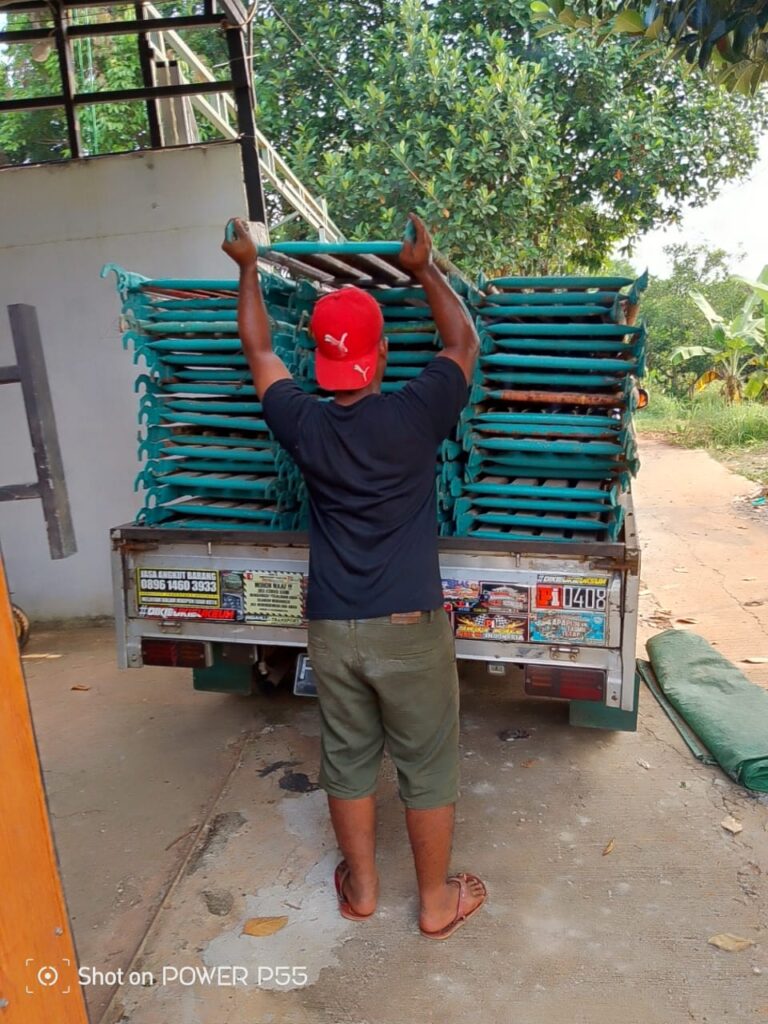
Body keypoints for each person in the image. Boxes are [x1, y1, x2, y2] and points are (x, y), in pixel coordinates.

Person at [222, 214, 485, 940]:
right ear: (382, 352)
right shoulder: (416, 414)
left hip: (334, 627)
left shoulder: (302, 423)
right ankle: (434, 902)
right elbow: (463, 343)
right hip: (408, 626)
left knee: (348, 759)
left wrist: (247, 267)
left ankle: (362, 891)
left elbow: (258, 349)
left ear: (319, 358)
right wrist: (423, 268)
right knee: (425, 765)